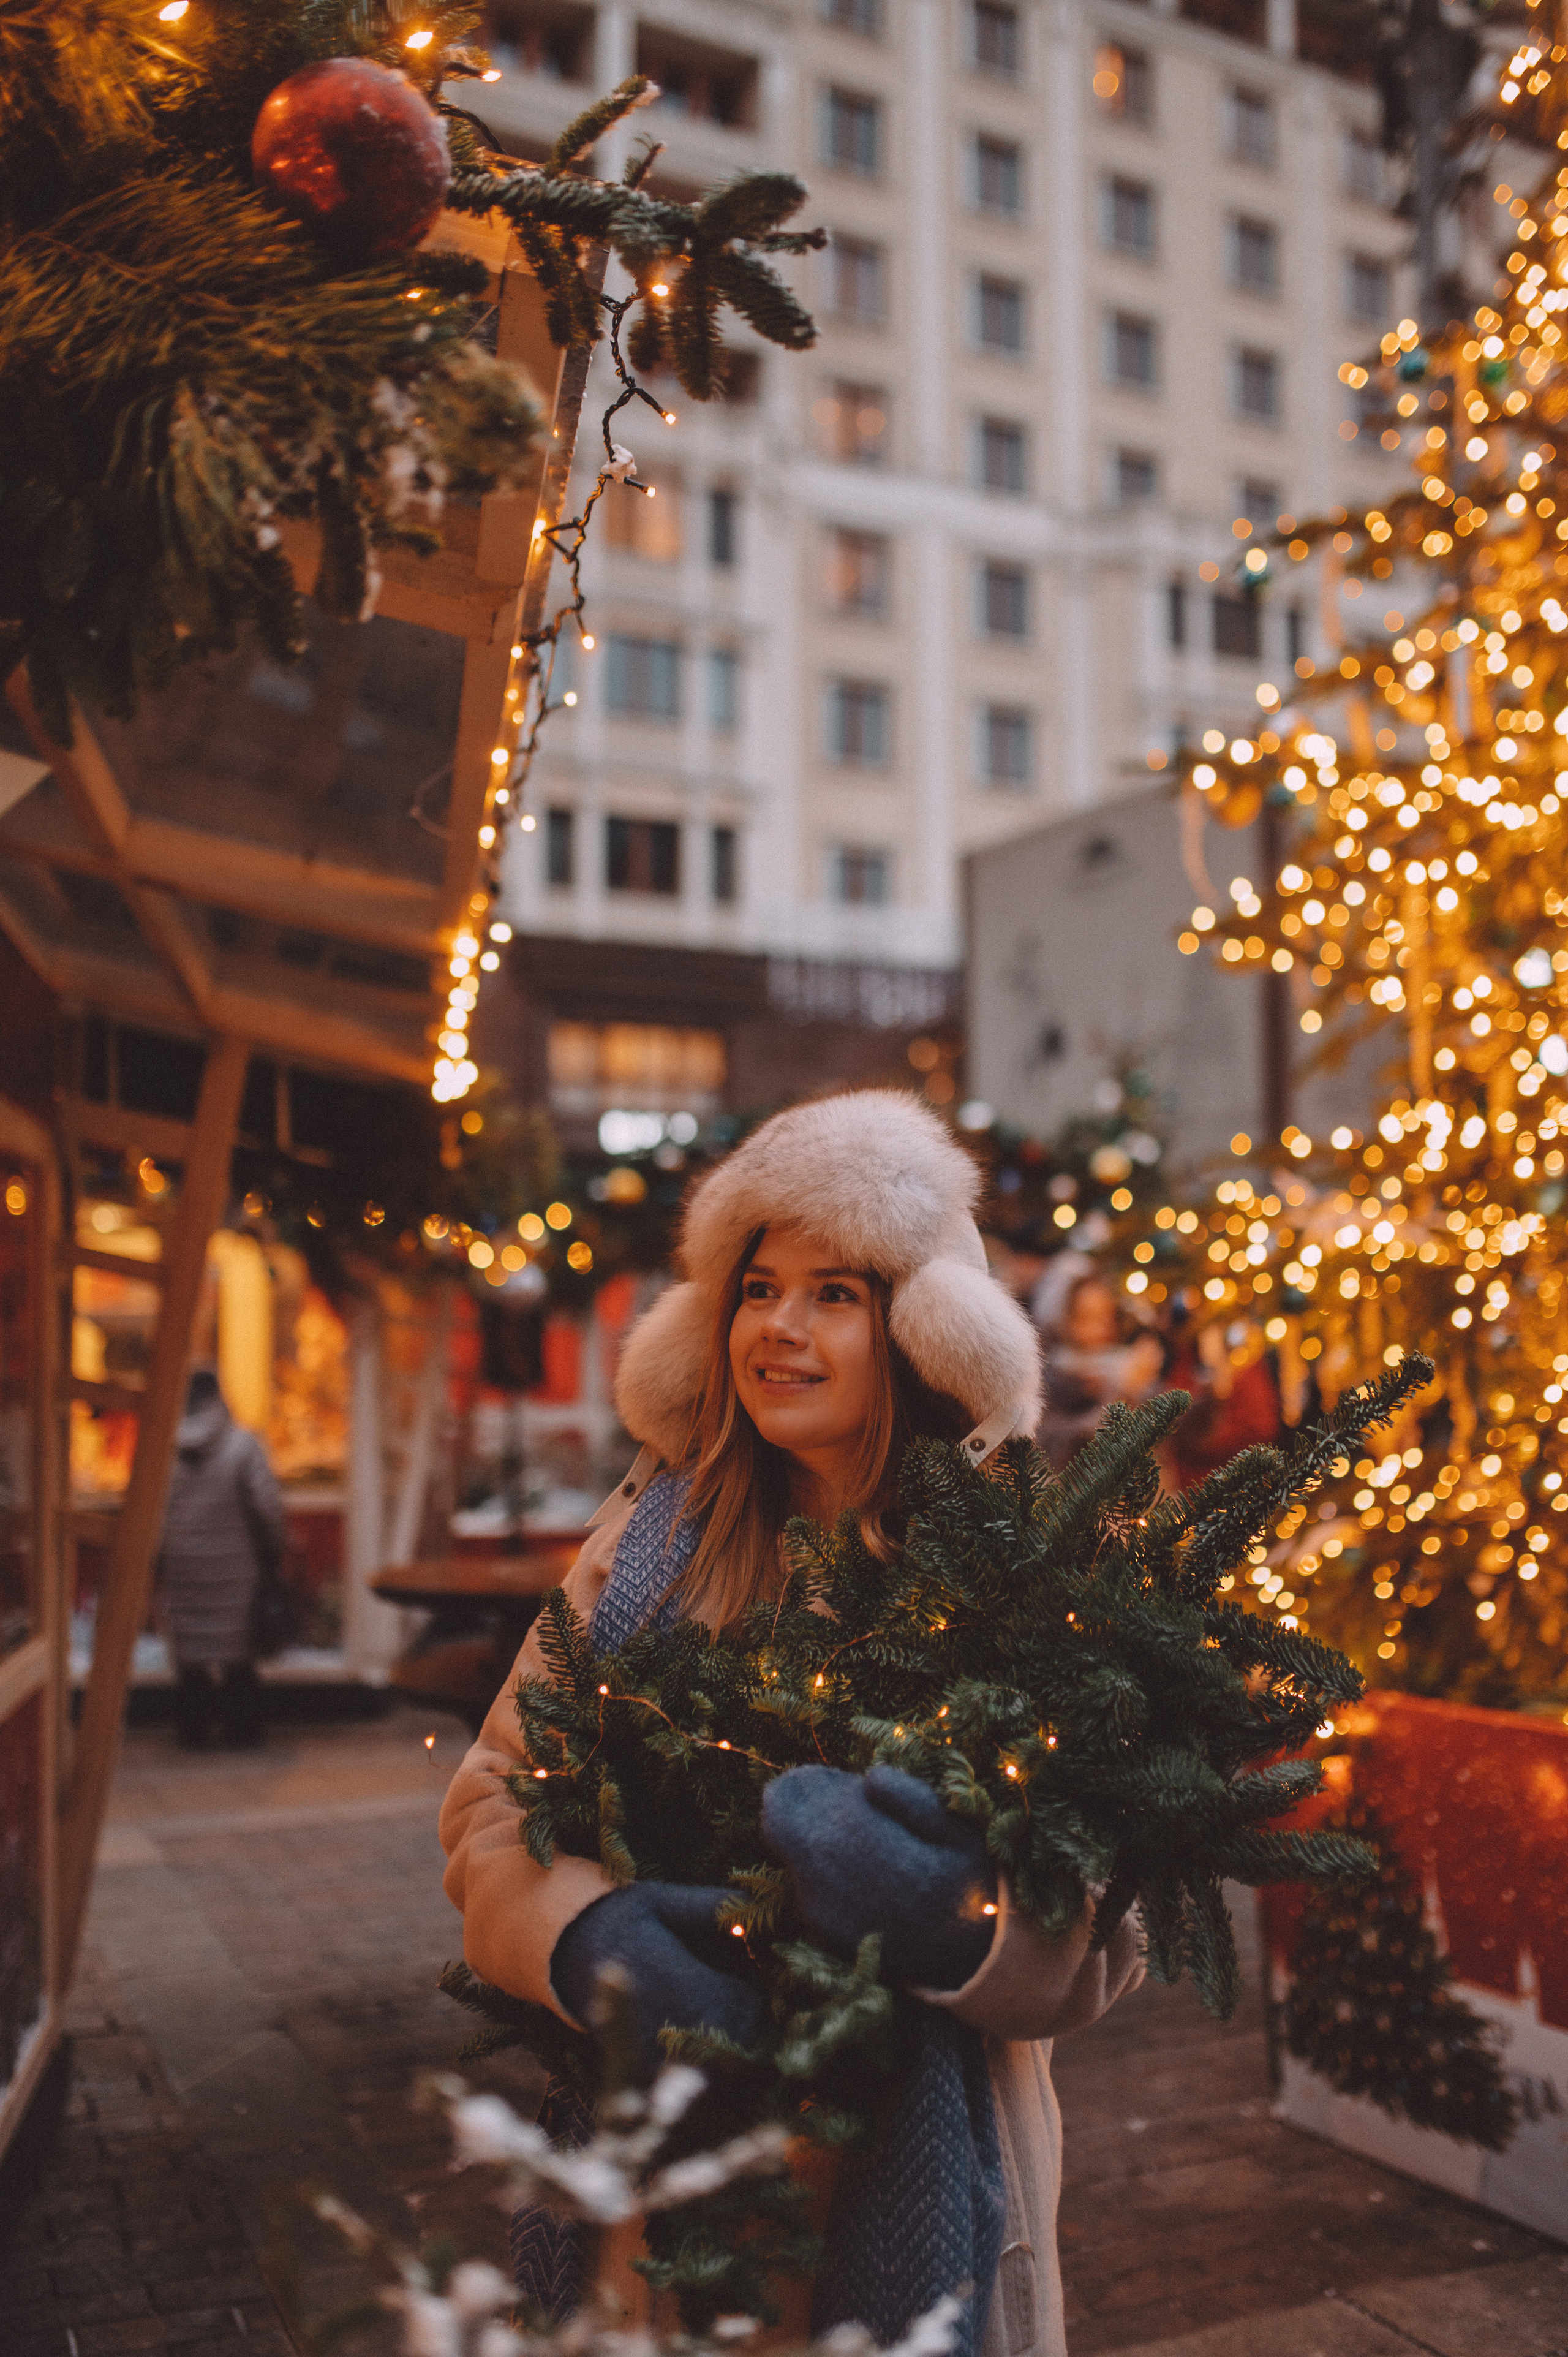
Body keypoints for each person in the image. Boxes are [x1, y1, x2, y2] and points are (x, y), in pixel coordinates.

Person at [440, 1094, 1144, 2357]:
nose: (779, 1326)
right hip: (665, 2214)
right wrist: (583, 1933)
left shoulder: (1010, 1580)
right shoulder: (642, 1548)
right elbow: (492, 1800)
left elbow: (1107, 1928)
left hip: (926, 2192)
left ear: (920, 1332)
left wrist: (958, 1913)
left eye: (833, 1294)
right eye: (758, 1287)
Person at [157, 1367, 285, 1750]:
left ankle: (193, 1734)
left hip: (182, 1571)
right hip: (236, 1571)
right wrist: (273, 1553)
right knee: (238, 1657)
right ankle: (242, 1732)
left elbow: (151, 1515)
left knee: (191, 1661)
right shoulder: (243, 1447)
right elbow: (267, 1510)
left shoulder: (162, 1449)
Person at [1032, 1260, 1164, 1469]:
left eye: (1106, 1319)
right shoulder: (1050, 1382)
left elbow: (1175, 1426)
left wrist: (1215, 1385)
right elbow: (1066, 1450)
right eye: (1086, 1319)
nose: (1100, 1331)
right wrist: (1122, 1393)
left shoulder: (1124, 1363)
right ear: (1063, 1320)